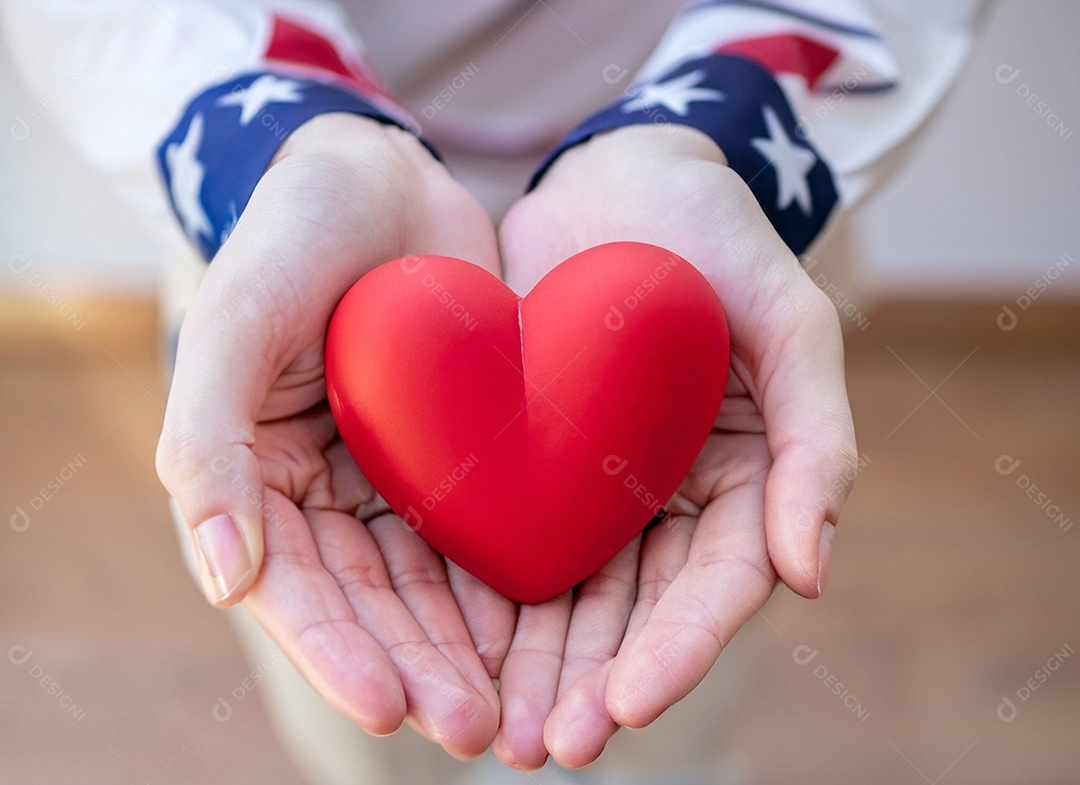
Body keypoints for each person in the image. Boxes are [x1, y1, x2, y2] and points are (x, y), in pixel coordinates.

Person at [4, 0, 983, 781]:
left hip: (726, 236)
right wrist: (296, 141)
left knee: (678, 695)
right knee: (361, 721)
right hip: (281, 234)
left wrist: (709, 132)